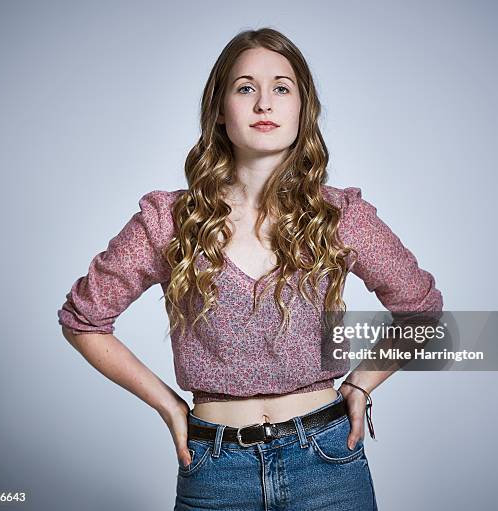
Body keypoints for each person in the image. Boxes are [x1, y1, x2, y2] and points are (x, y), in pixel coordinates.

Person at [58, 27, 443, 511]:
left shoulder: (340, 216)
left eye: (282, 88)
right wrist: (167, 404)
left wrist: (362, 382)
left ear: (303, 110)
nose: (265, 103)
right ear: (220, 110)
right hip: (215, 470)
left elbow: (423, 313)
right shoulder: (170, 222)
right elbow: (83, 320)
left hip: (328, 464)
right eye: (245, 88)